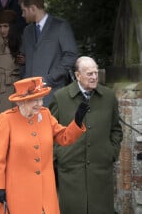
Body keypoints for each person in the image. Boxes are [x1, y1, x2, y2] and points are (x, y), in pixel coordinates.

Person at [0, 76, 88, 214]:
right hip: (18, 192)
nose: (40, 103)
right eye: (34, 100)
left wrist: (77, 121)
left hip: (45, 192)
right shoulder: (7, 119)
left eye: (41, 99)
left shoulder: (46, 115)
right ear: (22, 101)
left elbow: (64, 137)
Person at [48, 56, 123, 214]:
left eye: (96, 72)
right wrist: (60, 155)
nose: (94, 77)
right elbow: (50, 133)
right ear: (78, 75)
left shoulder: (108, 97)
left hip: (101, 170)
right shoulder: (60, 98)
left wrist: (111, 152)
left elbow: (116, 129)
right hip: (71, 172)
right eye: (89, 74)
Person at [18, 0, 78, 106]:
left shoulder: (60, 26)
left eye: (24, 10)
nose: (22, 15)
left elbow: (71, 55)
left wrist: (50, 78)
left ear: (32, 8)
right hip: (29, 95)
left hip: (53, 93)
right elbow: (23, 60)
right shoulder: (27, 31)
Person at [0, 9, 22, 112]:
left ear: (12, 27)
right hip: (1, 87)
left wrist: (24, 61)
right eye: (0, 26)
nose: (2, 30)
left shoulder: (22, 42)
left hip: (18, 87)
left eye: (5, 26)